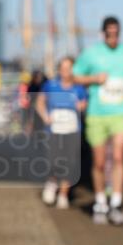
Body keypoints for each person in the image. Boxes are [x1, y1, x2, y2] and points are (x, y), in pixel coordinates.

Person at [73, 16, 123, 226]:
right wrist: (94, 79)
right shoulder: (91, 54)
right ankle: (101, 201)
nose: (113, 37)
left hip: (121, 111)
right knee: (100, 162)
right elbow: (75, 76)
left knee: (120, 156)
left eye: (116, 33)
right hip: (98, 112)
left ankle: (117, 202)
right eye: (109, 33)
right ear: (103, 33)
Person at [36, 56, 87, 209]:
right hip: (54, 130)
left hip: (72, 131)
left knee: (69, 163)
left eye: (68, 68)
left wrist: (81, 106)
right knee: (54, 160)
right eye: (63, 68)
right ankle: (52, 182)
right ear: (59, 69)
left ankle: (63, 194)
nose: (65, 71)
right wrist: (45, 117)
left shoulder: (79, 88)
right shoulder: (50, 85)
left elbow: (84, 104)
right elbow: (39, 102)